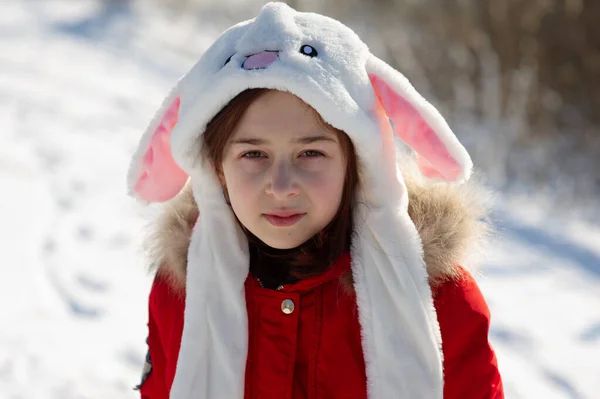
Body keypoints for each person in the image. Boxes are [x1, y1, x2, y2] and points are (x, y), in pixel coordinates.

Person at [127, 3, 503, 398]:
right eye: (253, 155)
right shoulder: (183, 290)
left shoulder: (436, 296)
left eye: (311, 154)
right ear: (216, 168)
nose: (282, 185)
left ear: (358, 161)